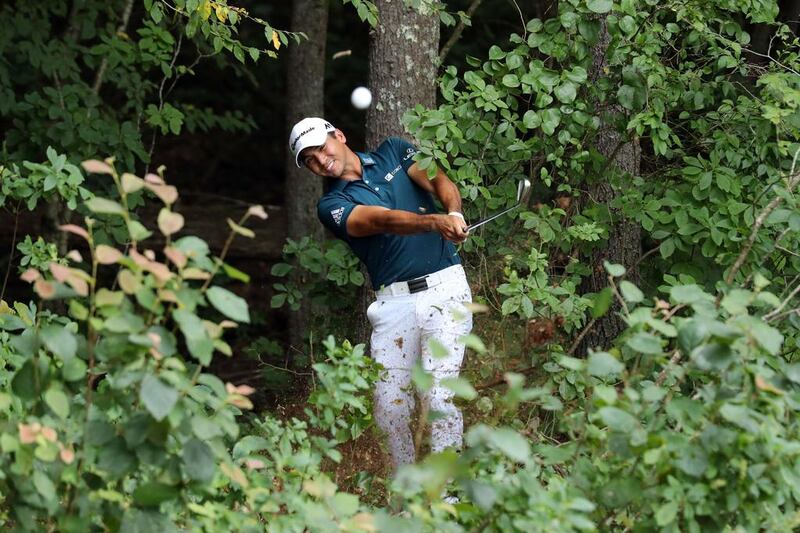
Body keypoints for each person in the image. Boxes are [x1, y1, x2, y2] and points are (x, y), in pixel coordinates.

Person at [288, 117, 473, 471]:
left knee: (438, 392)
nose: (320, 160)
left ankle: (447, 495)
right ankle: (405, 497)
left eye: (321, 148)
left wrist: (453, 211)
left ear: (339, 135)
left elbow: (439, 180)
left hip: (445, 287)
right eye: (310, 159)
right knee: (388, 407)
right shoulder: (332, 206)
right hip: (394, 304)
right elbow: (381, 221)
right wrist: (435, 223)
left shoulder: (394, 151)